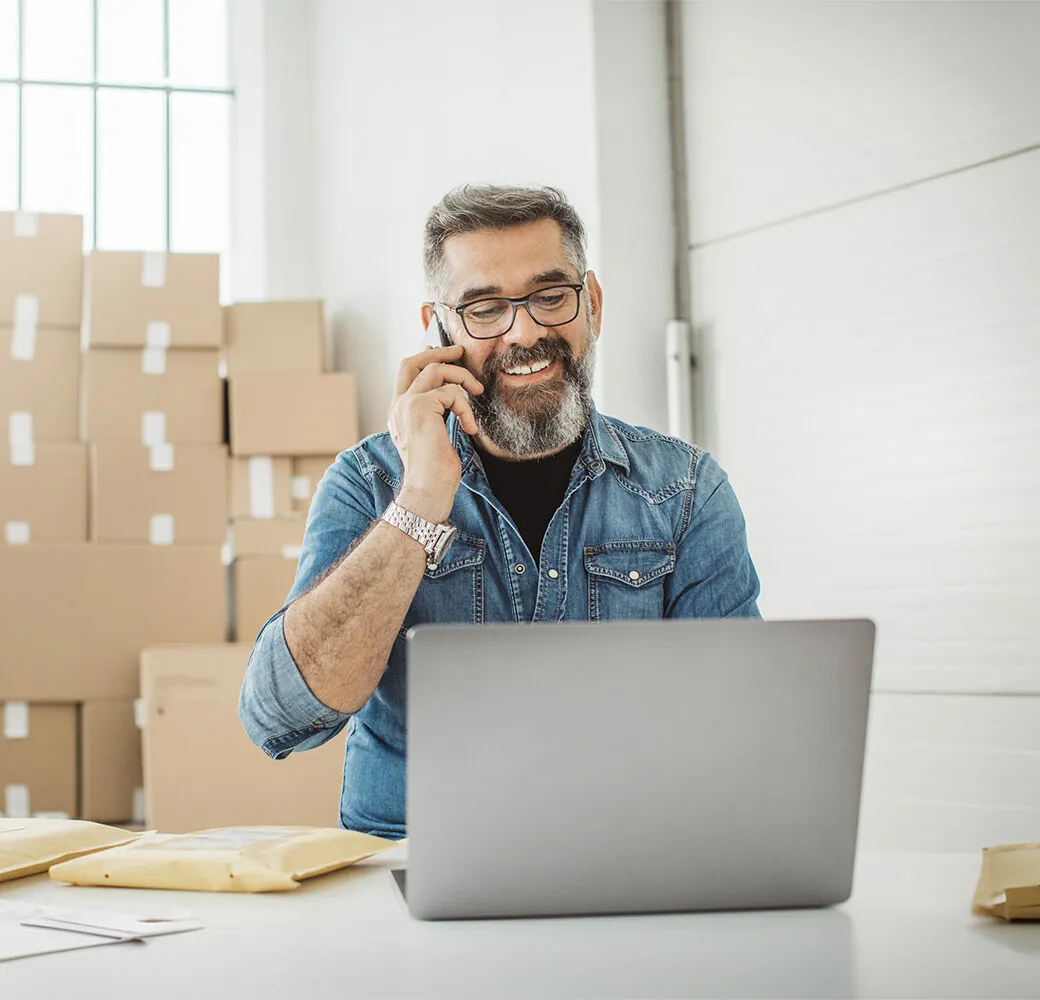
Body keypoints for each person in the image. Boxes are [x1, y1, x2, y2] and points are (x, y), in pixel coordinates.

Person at [239, 185, 761, 840]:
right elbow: (281, 718)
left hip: (622, 869)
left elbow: (737, 731)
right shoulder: (369, 483)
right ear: (440, 327)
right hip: (411, 879)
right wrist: (420, 501)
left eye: (550, 296)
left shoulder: (686, 491)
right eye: (485, 308)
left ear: (591, 303)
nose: (526, 331)